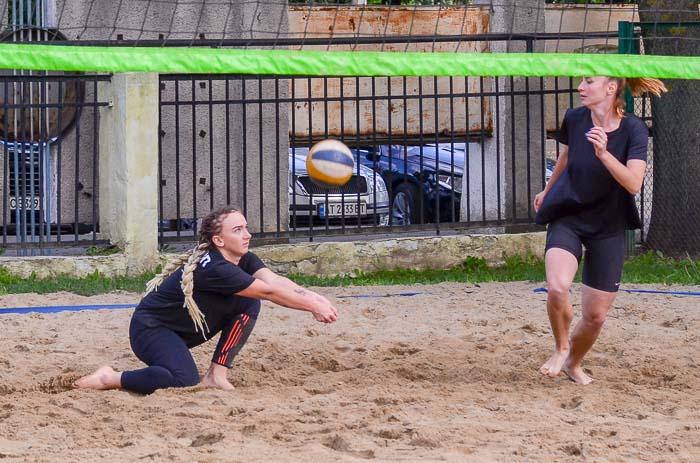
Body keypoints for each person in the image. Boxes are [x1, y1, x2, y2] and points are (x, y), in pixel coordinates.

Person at [74, 206, 338, 394]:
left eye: (246, 227)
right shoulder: (215, 269)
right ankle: (111, 378)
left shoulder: (241, 257)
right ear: (218, 239)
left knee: (247, 303)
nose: (247, 235)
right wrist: (312, 307)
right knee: (182, 379)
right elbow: (268, 292)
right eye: (238, 230)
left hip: (185, 328)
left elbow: (274, 281)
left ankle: (216, 376)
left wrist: (315, 298)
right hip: (152, 330)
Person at [534, 76, 666, 385]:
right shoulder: (575, 118)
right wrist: (547, 189)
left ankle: (573, 363)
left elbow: (634, 184)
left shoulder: (633, 129)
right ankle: (561, 347)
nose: (580, 86)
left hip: (608, 223)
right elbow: (566, 156)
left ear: (611, 88)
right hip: (569, 214)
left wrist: (604, 154)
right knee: (557, 286)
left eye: (589, 81)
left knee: (595, 317)